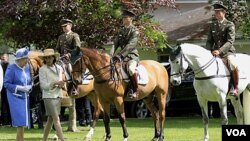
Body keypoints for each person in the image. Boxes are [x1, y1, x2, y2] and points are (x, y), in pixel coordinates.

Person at [205, 1, 238, 97]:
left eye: (218, 12)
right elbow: (209, 40)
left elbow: (230, 41)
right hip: (214, 52)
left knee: (233, 64)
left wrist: (220, 51)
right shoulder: (212, 25)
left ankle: (235, 87)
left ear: (224, 12)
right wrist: (208, 51)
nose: (216, 14)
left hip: (227, 52)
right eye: (215, 12)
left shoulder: (229, 24)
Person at [4, 48, 33, 141]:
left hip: (25, 97)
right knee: (20, 122)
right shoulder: (11, 68)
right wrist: (20, 88)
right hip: (14, 98)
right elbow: (6, 84)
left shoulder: (27, 67)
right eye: (25, 59)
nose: (27, 61)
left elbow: (29, 81)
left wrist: (29, 86)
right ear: (19, 59)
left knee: (22, 122)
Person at [110, 9, 140, 99]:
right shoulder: (121, 31)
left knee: (131, 69)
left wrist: (120, 55)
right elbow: (115, 43)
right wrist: (110, 54)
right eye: (122, 18)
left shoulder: (135, 31)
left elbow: (131, 45)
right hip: (121, 57)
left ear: (130, 19)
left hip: (131, 56)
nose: (123, 20)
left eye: (125, 18)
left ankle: (135, 90)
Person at [38, 49, 65, 141]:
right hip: (48, 96)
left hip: (58, 95)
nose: (48, 59)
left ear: (54, 57)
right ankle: (63, 139)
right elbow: (43, 85)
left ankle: (44, 139)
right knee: (56, 119)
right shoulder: (42, 69)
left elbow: (61, 81)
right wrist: (54, 83)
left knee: (50, 119)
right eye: (46, 58)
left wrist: (62, 84)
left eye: (49, 57)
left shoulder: (59, 68)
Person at [0, 53, 11, 126]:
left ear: (8, 58)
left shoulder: (10, 66)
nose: (3, 59)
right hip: (2, 88)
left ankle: (8, 121)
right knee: (2, 105)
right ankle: (3, 121)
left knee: (7, 105)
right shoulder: (1, 66)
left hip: (7, 88)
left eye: (5, 58)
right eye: (2, 58)